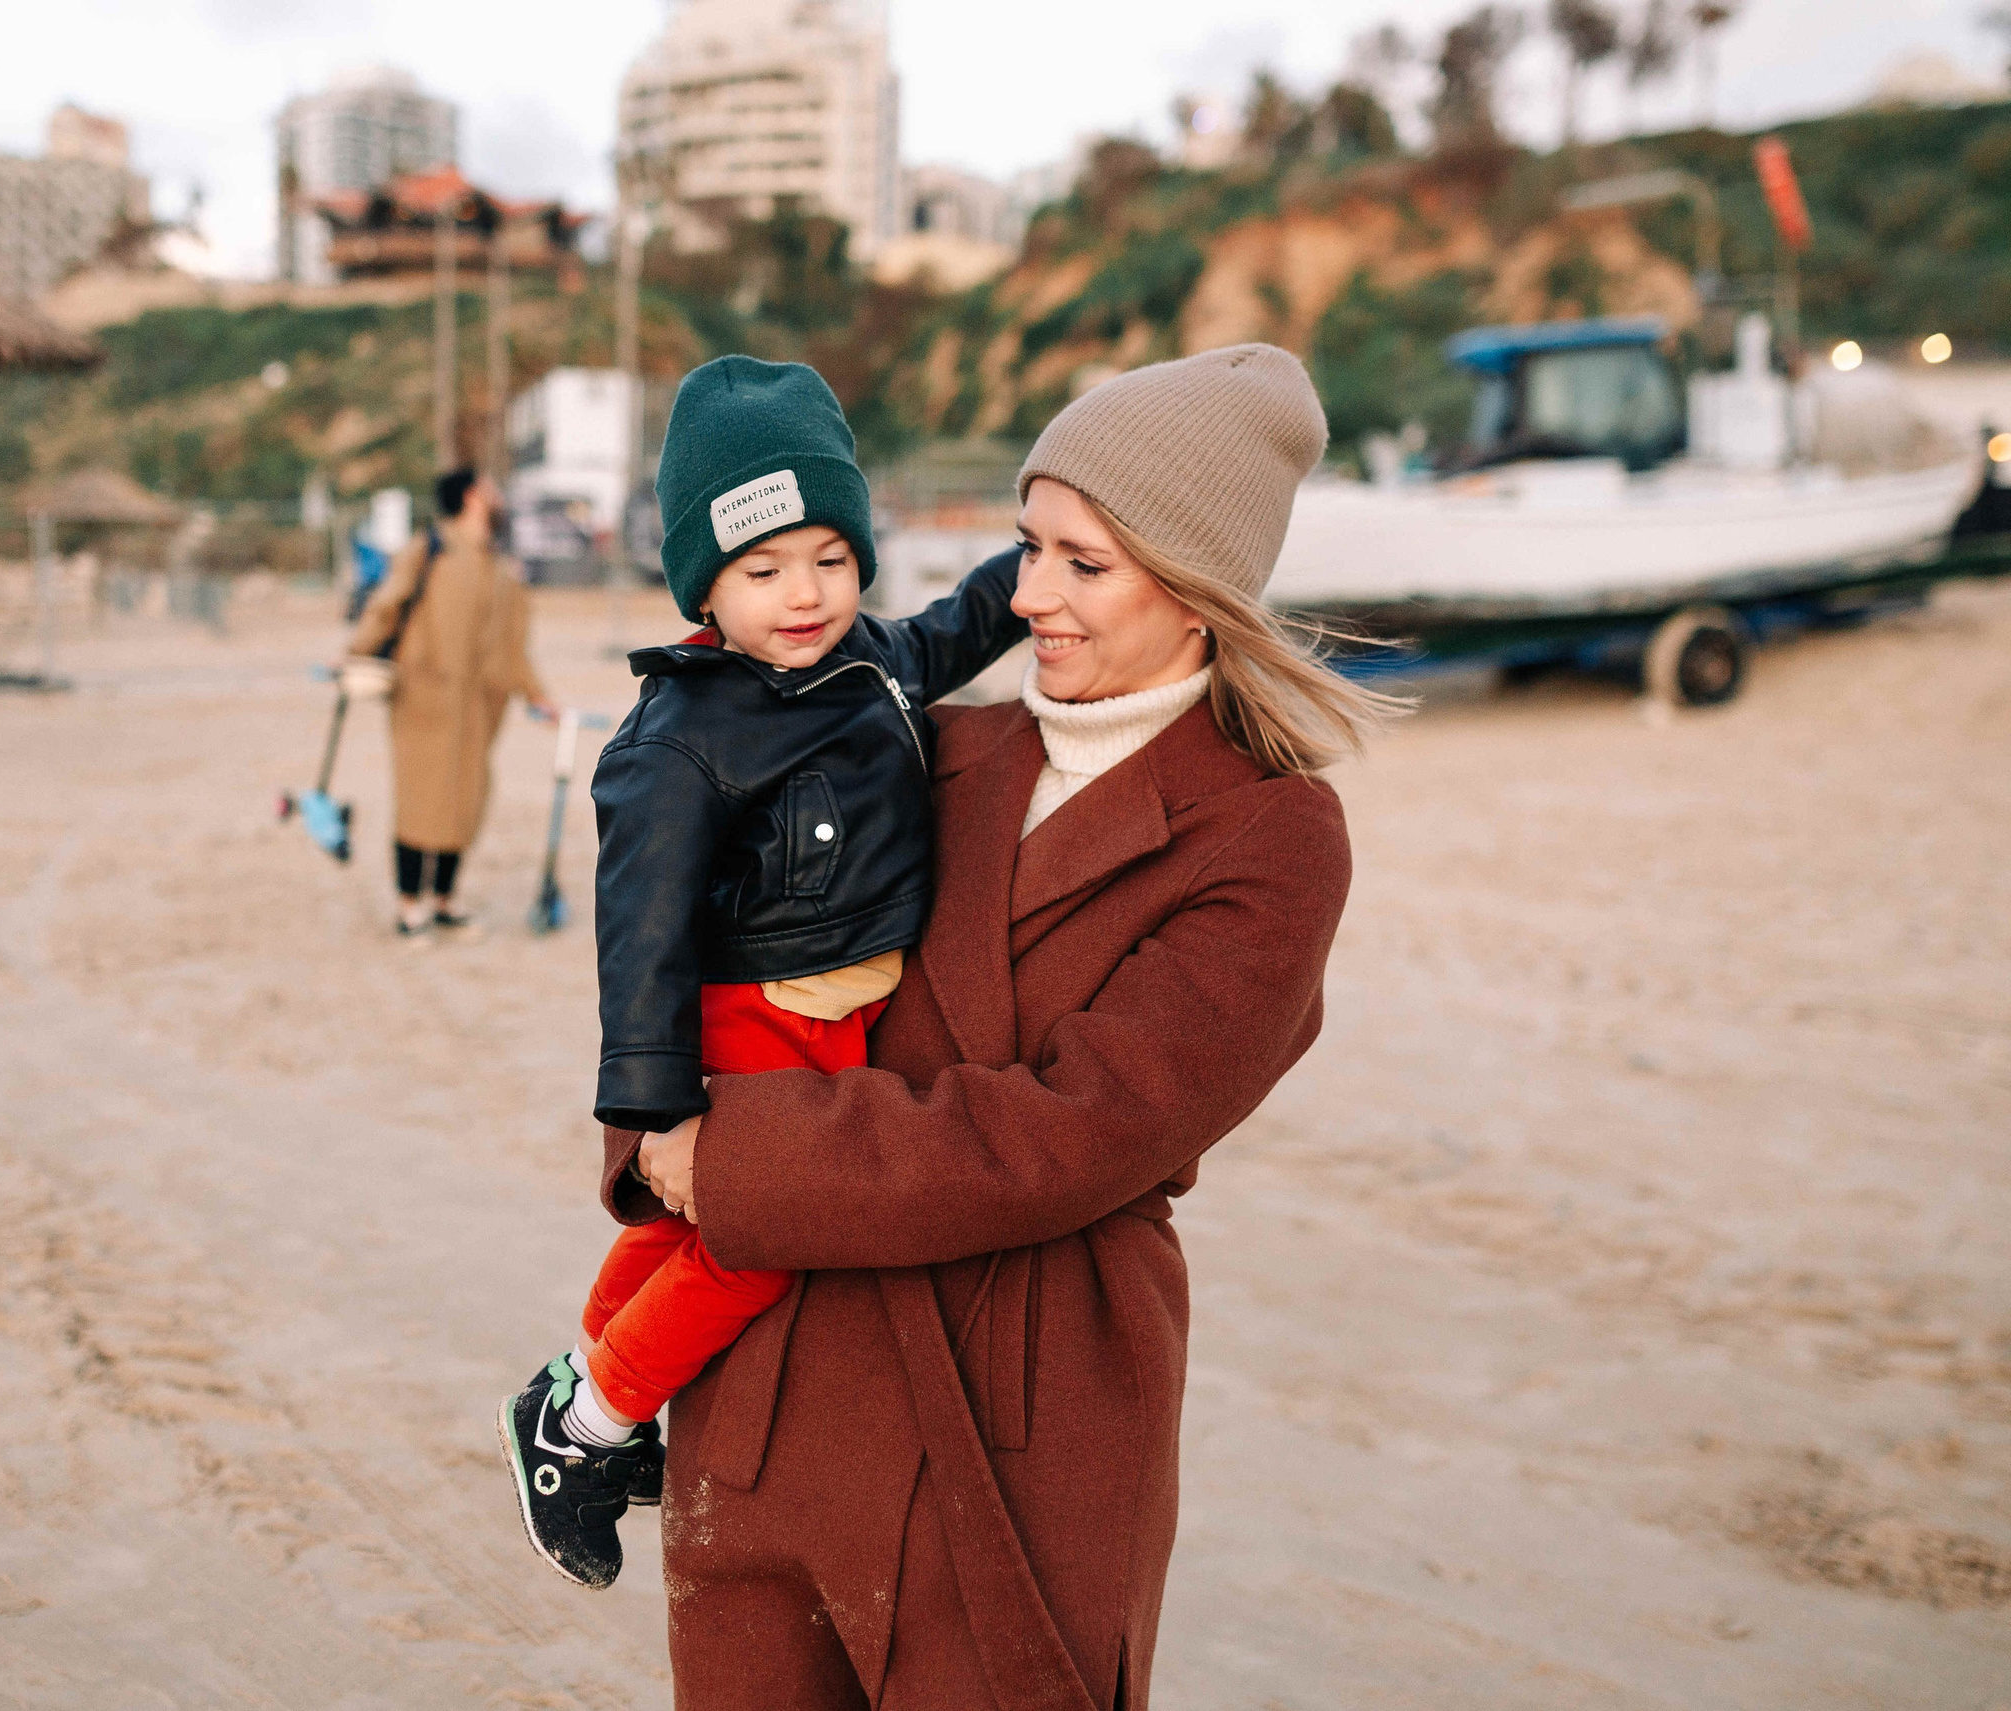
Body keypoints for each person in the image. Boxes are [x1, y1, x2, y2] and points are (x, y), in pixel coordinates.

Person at [618, 346, 1405, 1706]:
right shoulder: (938, 746)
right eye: (1029, 545)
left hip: (1020, 1432)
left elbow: (1061, 1135)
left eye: (1081, 563)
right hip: (773, 1404)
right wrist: (650, 1124)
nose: (1026, 592)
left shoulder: (1271, 836)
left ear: (1197, 580)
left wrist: (728, 1159)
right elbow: (701, 960)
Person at [495, 355, 1030, 1590]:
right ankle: (588, 1428)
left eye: (831, 560)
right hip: (751, 1015)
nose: (804, 595)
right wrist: (658, 1102)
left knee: (698, 1221)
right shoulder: (682, 733)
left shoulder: (876, 658)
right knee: (762, 1235)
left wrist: (1050, 551)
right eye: (762, 569)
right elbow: (639, 930)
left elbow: (970, 621)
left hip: (842, 1017)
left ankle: (572, 1376)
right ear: (704, 583)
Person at [347, 468, 554, 936]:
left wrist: (538, 696)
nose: (499, 496)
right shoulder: (429, 549)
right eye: (492, 487)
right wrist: (355, 653)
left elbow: (513, 646)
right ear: (472, 496)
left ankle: (444, 901)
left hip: (479, 708)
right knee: (420, 801)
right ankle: (407, 905)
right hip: (423, 698)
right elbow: (388, 603)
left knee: (465, 799)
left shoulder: (500, 567)